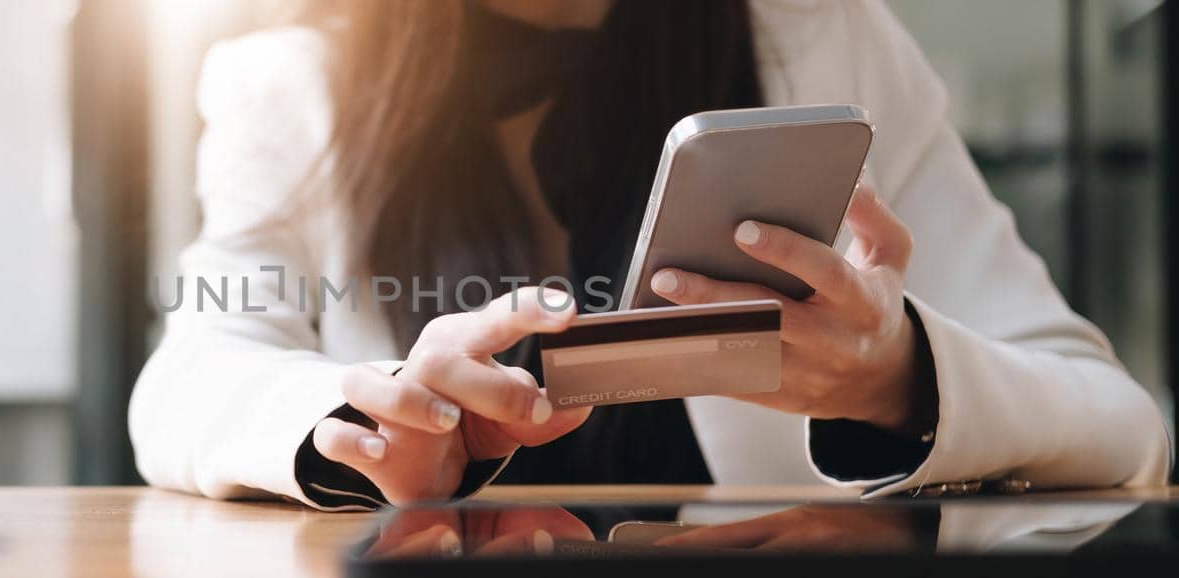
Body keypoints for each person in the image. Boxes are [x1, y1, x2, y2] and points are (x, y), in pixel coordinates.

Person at [128, 0, 1173, 511]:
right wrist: (363, 425)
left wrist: (896, 377)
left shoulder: (823, 37)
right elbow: (188, 377)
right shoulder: (288, 82)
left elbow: (1118, 424)